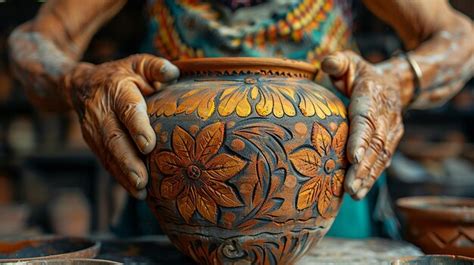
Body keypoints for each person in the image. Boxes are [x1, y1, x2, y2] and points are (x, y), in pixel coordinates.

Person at [8, 0, 473, 237]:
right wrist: (78, 81)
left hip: (327, 202)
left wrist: (398, 81)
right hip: (174, 206)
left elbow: (459, 35)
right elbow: (33, 41)